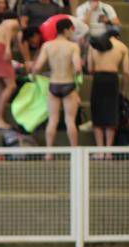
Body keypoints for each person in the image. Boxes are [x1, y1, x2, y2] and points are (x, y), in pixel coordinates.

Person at [33, 18, 82, 154]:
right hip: (68, 84)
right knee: (70, 120)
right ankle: (74, 151)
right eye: (71, 30)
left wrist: (33, 76)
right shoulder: (73, 46)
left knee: (53, 120)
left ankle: (49, 153)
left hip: (53, 84)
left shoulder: (48, 45)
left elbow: (37, 67)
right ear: (66, 30)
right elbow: (78, 68)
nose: (72, 33)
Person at [87, 30, 129, 149]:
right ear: (117, 36)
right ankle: (109, 150)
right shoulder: (122, 47)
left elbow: (90, 68)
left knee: (97, 113)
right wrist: (123, 89)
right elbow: (126, 72)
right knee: (111, 113)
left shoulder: (94, 45)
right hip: (112, 80)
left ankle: (100, 150)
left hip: (98, 79)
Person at [0, 13, 21, 130]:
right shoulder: (12, 22)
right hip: (0, 48)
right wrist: (8, 47)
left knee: (2, 86)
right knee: (11, 85)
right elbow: (10, 27)